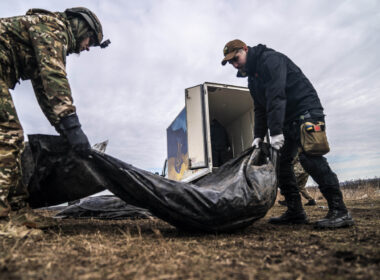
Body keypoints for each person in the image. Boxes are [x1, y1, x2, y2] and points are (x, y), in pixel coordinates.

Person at [221, 39, 354, 228]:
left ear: (245, 49)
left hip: (306, 111)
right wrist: (258, 136)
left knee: (310, 158)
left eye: (236, 58)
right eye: (231, 62)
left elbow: (277, 95)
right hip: (286, 118)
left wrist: (275, 132)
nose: (235, 64)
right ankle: (295, 212)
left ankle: (340, 211)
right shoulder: (253, 79)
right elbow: (260, 108)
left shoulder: (271, 60)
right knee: (281, 164)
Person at [0, 7, 110, 228]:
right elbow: (54, 75)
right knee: (8, 135)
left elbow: (45, 92)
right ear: (81, 26)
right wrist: (72, 125)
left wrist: (65, 131)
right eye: (90, 40)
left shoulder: (47, 34)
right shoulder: (53, 27)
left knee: (15, 141)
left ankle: (19, 211)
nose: (87, 47)